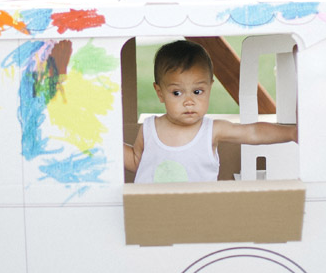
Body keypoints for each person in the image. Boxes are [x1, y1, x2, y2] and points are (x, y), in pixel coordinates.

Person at [124, 40, 298, 183]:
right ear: (160, 93)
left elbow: (252, 132)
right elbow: (136, 161)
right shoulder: (149, 129)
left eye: (198, 91)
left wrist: (291, 133)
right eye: (177, 93)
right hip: (153, 216)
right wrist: (98, 145)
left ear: (209, 87)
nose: (189, 101)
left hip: (201, 216)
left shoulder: (211, 130)